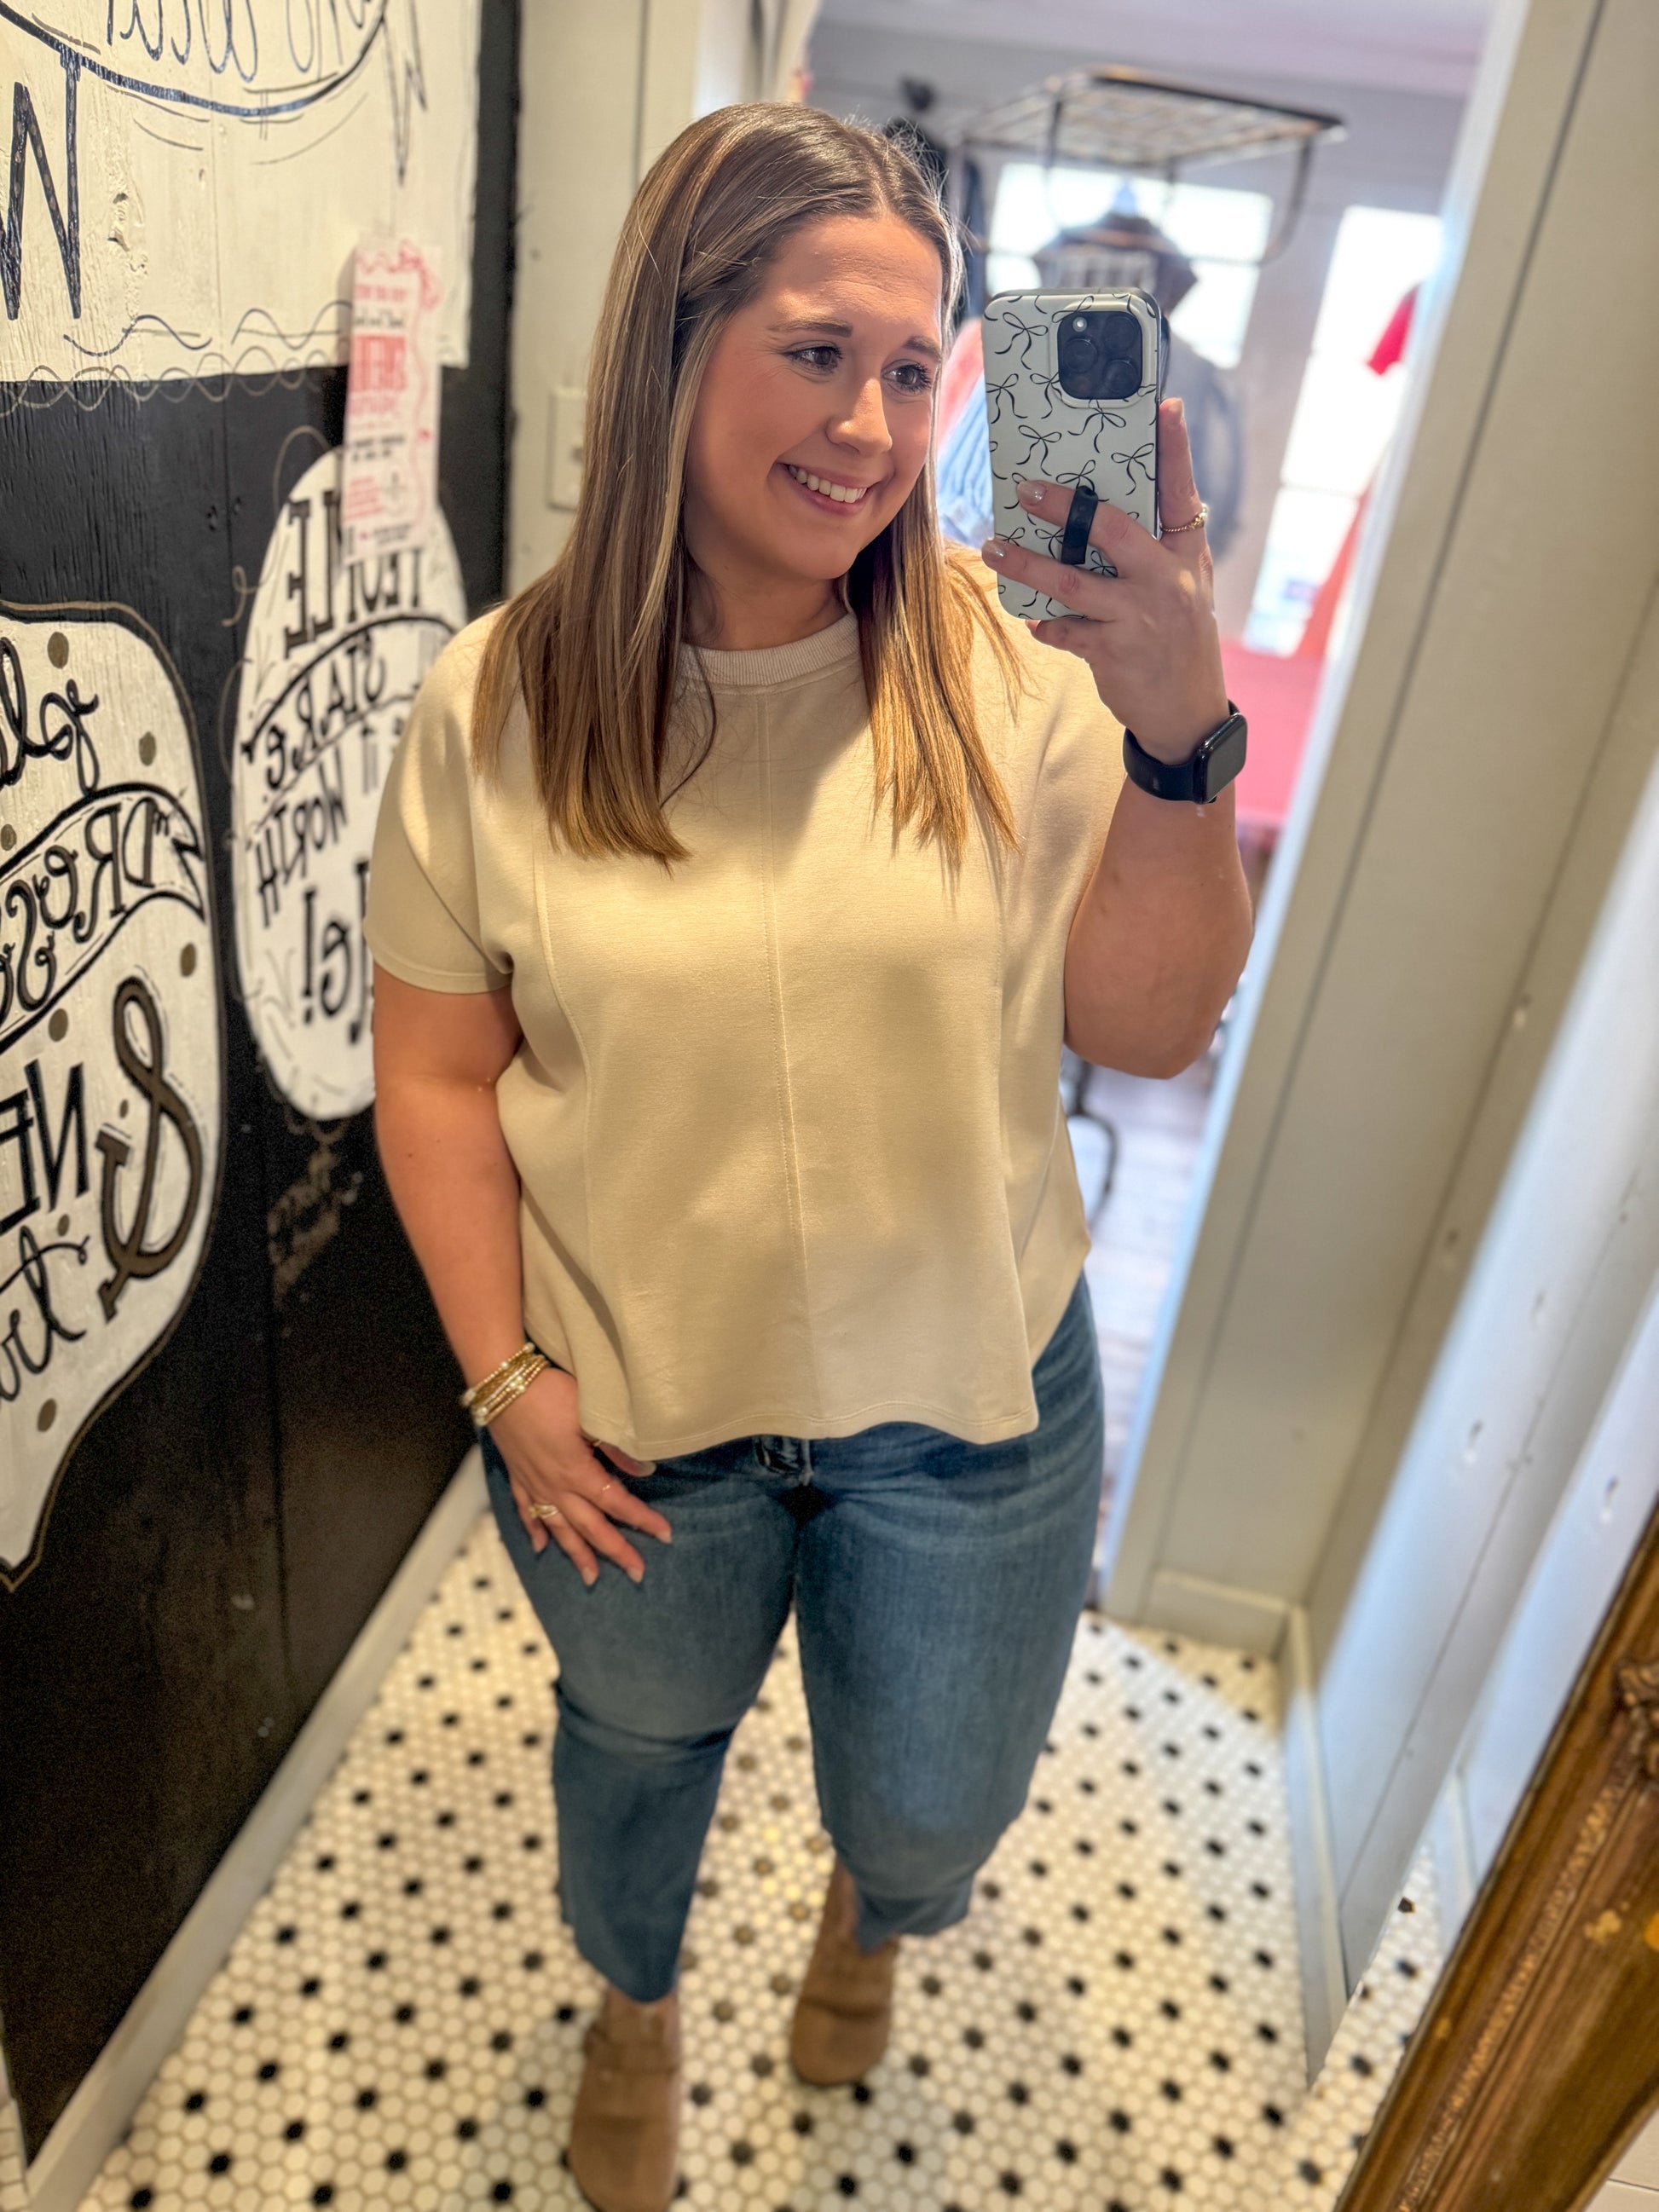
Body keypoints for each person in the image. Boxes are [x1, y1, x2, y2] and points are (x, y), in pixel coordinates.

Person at [366, 103, 1251, 2212]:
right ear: (673, 349)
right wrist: (505, 1374)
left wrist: (1178, 734)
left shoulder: (1012, 674)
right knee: (638, 1754)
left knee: (934, 1811)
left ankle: (869, 1922)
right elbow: (432, 1078)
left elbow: (1144, 1025)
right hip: (634, 1415)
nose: (875, 423)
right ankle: (636, 2001)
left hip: (961, 1402)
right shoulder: (493, 707)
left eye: (920, 365)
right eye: (817, 349)